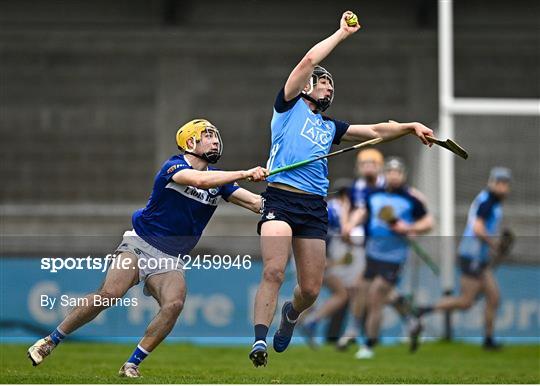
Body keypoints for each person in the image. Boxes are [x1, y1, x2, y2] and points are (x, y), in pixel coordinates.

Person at [249, 10, 435, 367]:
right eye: (323, 82)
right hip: (281, 198)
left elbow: (377, 131)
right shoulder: (287, 107)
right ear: (306, 86)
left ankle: (291, 314)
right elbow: (309, 59)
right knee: (273, 270)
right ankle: (259, 341)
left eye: (332, 85)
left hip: (314, 207)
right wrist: (341, 34)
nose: (329, 87)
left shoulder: (330, 128)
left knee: (312, 291)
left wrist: (410, 126)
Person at [27, 119, 268, 378]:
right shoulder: (174, 166)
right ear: (190, 142)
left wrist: (288, 195)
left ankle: (131, 364)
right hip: (140, 243)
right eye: (208, 136)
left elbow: (256, 203)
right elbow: (199, 181)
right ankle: (50, 341)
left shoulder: (221, 183)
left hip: (170, 258)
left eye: (216, 137)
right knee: (110, 293)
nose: (215, 141)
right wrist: (245, 173)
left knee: (174, 304)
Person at [412, 167, 512, 351]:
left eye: (505, 184)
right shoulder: (488, 201)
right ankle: (423, 311)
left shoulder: (492, 201)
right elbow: (478, 228)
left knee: (493, 297)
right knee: (466, 301)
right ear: (492, 183)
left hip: (478, 258)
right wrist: (495, 245)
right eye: (499, 183)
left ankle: (488, 340)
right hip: (471, 256)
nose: (503, 188)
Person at [355, 157, 433, 359]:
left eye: (397, 172)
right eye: (390, 172)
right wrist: (349, 225)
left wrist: (409, 227)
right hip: (372, 254)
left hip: (394, 257)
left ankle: (369, 344)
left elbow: (428, 222)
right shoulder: (373, 195)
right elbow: (363, 214)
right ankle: (412, 319)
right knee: (374, 294)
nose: (393, 176)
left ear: (403, 175)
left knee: (375, 297)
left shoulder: (411, 198)